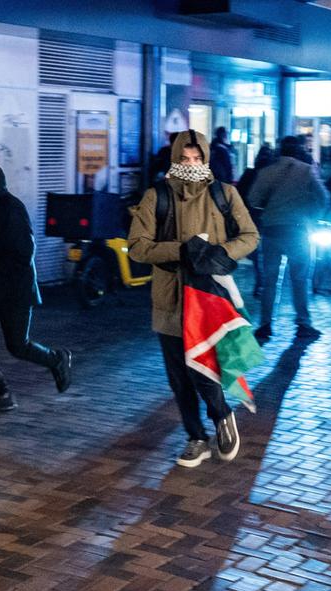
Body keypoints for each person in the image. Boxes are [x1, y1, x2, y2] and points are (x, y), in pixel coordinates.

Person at [127, 130, 259, 467]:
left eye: (196, 158)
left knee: (206, 368)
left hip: (211, 296)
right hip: (170, 297)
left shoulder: (224, 194)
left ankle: (221, 415)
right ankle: (195, 436)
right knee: (179, 375)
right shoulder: (157, 196)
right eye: (184, 159)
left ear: (205, 157)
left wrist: (219, 253)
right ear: (175, 159)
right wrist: (181, 250)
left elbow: (250, 236)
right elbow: (138, 246)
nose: (191, 164)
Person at [0, 162, 73, 414]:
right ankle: (0, 392)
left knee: (17, 345)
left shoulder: (11, 209)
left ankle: (57, 359)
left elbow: (23, 252)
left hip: (13, 291)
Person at [247, 135, 329, 342]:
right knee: (300, 280)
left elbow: (253, 199)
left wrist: (270, 207)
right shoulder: (307, 170)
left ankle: (265, 325)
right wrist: (314, 215)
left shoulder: (266, 171)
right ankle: (303, 323)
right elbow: (324, 197)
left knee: (270, 281)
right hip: (299, 231)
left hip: (272, 231)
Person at [236, 144, 276, 297]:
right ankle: (263, 281)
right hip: (264, 217)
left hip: (254, 217)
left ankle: (261, 281)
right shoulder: (271, 175)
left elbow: (239, 194)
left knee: (257, 251)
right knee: (264, 251)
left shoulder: (251, 173)